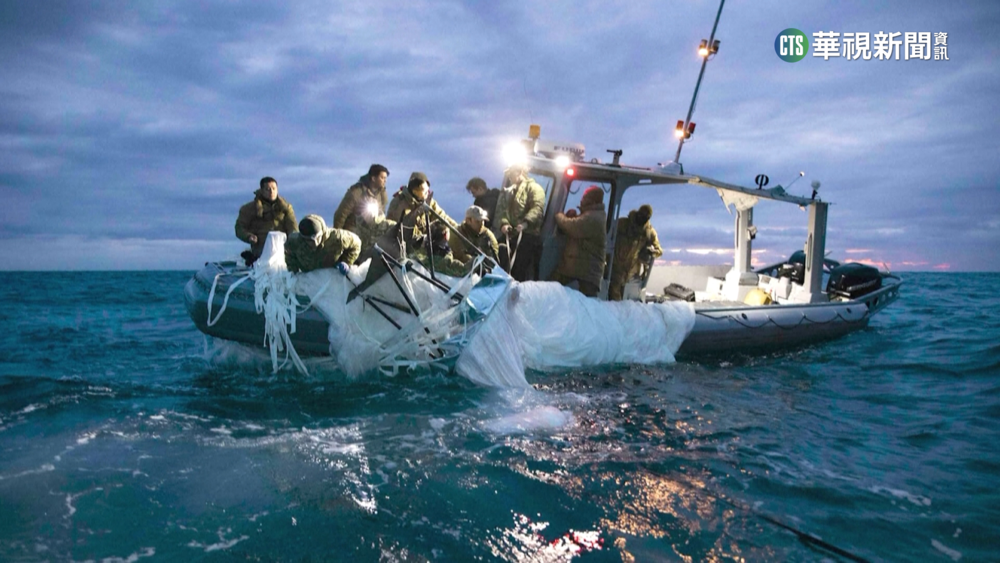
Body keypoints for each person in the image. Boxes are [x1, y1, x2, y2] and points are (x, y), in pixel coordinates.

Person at [550, 186, 607, 298]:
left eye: (585, 197)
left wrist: (559, 215)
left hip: (587, 273)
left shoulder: (594, 217)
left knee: (585, 303)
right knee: (553, 286)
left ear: (592, 200)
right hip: (581, 269)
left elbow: (572, 227)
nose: (582, 200)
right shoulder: (591, 215)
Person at [494, 163, 545, 281]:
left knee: (520, 268)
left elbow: (537, 208)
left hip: (528, 235)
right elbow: (503, 209)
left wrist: (526, 223)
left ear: (520, 172)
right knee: (498, 253)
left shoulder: (535, 188)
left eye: (511, 174)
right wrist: (504, 223)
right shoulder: (509, 191)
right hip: (511, 235)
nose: (509, 177)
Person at [333, 164, 394, 262]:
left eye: (385, 178)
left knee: (391, 226)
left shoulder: (382, 194)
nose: (385, 180)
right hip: (354, 229)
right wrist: (338, 237)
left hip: (371, 230)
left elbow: (382, 213)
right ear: (373, 178)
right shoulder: (356, 193)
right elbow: (341, 214)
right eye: (382, 177)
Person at [386, 172, 458, 250]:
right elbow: (399, 229)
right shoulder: (398, 203)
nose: (428, 192)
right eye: (424, 190)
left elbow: (443, 217)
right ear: (414, 191)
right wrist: (423, 239)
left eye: (428, 189)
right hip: (404, 247)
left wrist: (457, 229)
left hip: (427, 245)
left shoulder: (428, 202)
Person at [235, 176, 297, 264]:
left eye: (274, 188)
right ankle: (252, 259)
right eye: (268, 189)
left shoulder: (286, 208)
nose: (271, 192)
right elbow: (239, 228)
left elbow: (292, 227)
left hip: (282, 247)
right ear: (261, 190)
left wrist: (294, 241)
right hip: (261, 248)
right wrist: (248, 236)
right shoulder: (249, 209)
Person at [609, 204, 664, 301]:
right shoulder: (622, 224)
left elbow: (659, 250)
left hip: (632, 273)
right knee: (614, 296)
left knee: (626, 299)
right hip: (615, 267)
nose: (642, 218)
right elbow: (608, 233)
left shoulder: (649, 232)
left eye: (645, 217)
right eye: (641, 215)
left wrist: (651, 252)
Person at [284, 214, 361, 274]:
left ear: (322, 233)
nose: (315, 242)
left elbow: (356, 243)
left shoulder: (337, 237)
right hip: (310, 279)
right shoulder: (294, 242)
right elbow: (289, 255)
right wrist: (294, 272)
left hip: (333, 277)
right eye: (310, 240)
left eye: (318, 237)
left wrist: (346, 262)